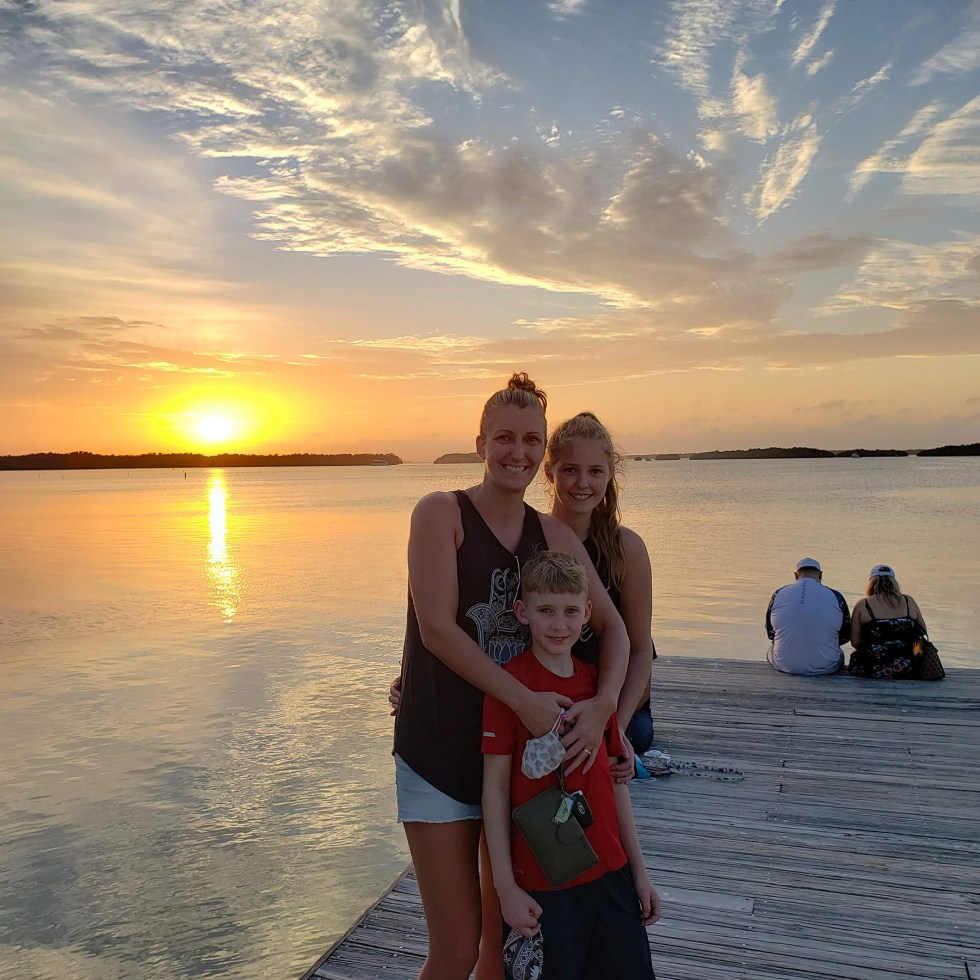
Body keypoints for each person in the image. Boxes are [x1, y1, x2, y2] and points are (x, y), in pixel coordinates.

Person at [392, 374, 630, 980]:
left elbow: (615, 631)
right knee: (456, 948)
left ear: (542, 452)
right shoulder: (440, 512)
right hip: (439, 750)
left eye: (530, 440)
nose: (516, 452)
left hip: (523, 768)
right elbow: (436, 630)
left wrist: (606, 708)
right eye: (504, 437)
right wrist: (524, 700)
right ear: (480, 443)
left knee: (506, 944)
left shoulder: (548, 533)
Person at [482, 550, 660, 979]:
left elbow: (617, 785)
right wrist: (505, 888)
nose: (559, 624)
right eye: (545, 611)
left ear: (587, 615)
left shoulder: (599, 688)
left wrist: (640, 874)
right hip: (543, 883)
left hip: (610, 873)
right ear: (522, 613)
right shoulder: (510, 688)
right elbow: (495, 790)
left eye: (569, 611)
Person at [544, 412, 656, 762]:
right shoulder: (531, 539)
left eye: (595, 472)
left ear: (610, 476)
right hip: (549, 703)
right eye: (570, 470)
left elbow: (639, 650)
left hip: (616, 707)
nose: (582, 483)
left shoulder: (628, 550)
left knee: (637, 735)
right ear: (549, 473)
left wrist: (614, 728)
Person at [765, 558, 850, 675]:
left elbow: (770, 633)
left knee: (771, 648)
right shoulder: (836, 596)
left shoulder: (778, 594)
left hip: (785, 665)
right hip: (826, 666)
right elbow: (845, 635)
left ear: (795, 575)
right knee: (839, 652)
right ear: (820, 575)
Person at [848, 563, 928, 679]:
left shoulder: (863, 605)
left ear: (871, 583)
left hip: (872, 668)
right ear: (894, 582)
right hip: (910, 667)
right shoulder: (908, 601)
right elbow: (923, 632)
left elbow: (855, 642)